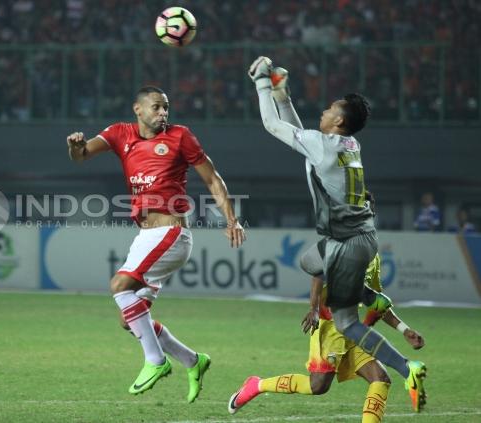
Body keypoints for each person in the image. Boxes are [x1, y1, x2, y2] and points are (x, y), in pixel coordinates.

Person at [248, 57, 427, 411]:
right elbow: (300, 137)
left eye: (330, 109)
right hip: (358, 237)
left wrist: (260, 82)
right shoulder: (348, 146)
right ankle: (363, 293)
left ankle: (408, 368)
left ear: (339, 121)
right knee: (309, 261)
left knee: (345, 322)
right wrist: (283, 95)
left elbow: (272, 126)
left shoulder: (324, 145)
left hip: (346, 244)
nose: (324, 111)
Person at [66, 86, 246, 402]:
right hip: (146, 236)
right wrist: (74, 146)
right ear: (138, 109)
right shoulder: (119, 134)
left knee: (119, 284)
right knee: (130, 319)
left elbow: (212, 179)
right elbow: (80, 157)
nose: (163, 113)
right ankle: (193, 359)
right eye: (156, 107)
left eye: (166, 108)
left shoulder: (180, 136)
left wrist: (231, 219)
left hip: (172, 232)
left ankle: (156, 361)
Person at [229, 238, 426, 422]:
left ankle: (256, 385)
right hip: (329, 328)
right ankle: (257, 386)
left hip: (354, 329)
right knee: (317, 386)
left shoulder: (373, 258)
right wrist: (313, 309)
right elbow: (317, 273)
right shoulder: (342, 245)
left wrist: (404, 329)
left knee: (380, 378)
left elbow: (377, 301)